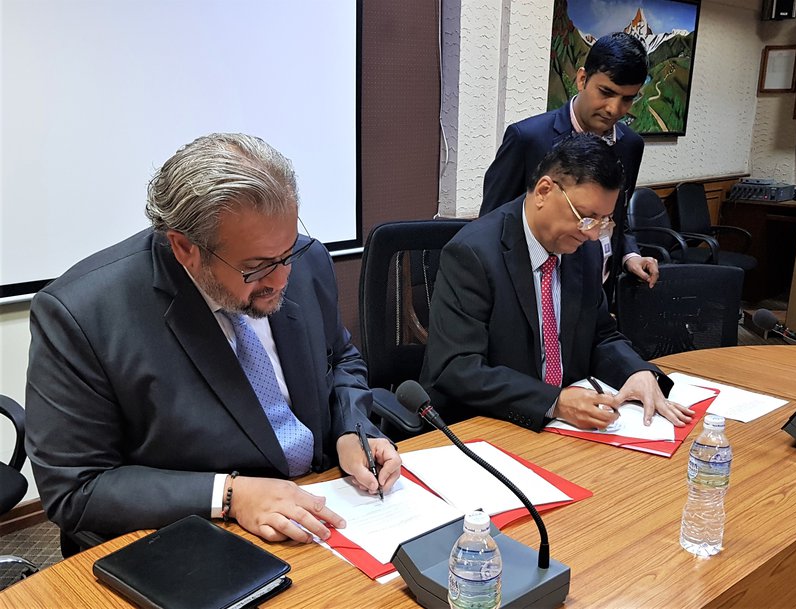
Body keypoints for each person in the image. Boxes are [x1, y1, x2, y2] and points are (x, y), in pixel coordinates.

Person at [25, 133, 401, 549]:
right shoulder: (81, 314)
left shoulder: (305, 260)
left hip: (324, 505)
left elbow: (342, 357)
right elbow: (75, 490)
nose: (280, 280)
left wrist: (352, 429)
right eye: (255, 268)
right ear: (185, 248)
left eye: (286, 253)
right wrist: (230, 495)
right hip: (193, 538)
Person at [421, 133, 694, 432]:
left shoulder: (583, 249)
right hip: (488, 424)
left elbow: (601, 335)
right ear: (544, 191)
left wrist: (637, 371)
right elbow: (457, 368)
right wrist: (555, 402)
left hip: (566, 425)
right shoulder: (472, 254)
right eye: (587, 217)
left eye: (604, 221)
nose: (593, 234)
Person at [480, 32, 659, 296]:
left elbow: (616, 216)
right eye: (606, 92)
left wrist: (630, 254)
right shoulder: (528, 138)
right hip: (534, 292)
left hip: (596, 294)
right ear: (582, 79)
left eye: (627, 98)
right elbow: (492, 224)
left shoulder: (631, 145)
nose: (614, 108)